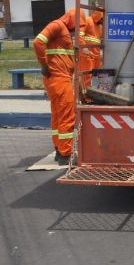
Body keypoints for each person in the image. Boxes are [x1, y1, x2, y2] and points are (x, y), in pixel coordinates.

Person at [33, 8, 87, 164]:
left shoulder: (63, 30)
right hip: (58, 78)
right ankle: (66, 154)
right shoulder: (57, 26)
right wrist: (44, 64)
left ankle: (59, 150)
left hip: (58, 79)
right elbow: (38, 42)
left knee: (58, 116)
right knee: (66, 115)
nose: (75, 30)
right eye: (76, 26)